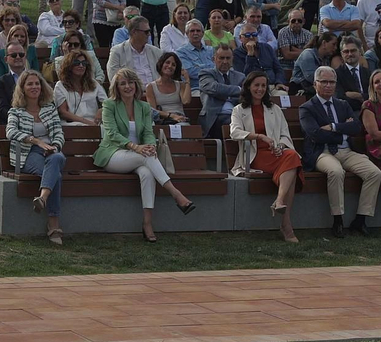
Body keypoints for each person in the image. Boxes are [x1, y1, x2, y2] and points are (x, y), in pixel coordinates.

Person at [95, 69, 197, 241]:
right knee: (146, 157)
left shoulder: (143, 107)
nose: (127, 86)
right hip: (113, 154)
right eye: (123, 83)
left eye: (130, 82)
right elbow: (112, 133)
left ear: (136, 84)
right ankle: (176, 194)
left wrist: (150, 146)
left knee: (147, 172)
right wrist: (136, 147)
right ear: (117, 88)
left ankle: (147, 223)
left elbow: (149, 132)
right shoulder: (109, 105)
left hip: (139, 156)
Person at [299, 66, 381, 236]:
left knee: (374, 173)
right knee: (336, 171)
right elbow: (315, 135)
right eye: (324, 82)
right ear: (315, 84)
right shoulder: (307, 108)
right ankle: (338, 219)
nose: (328, 85)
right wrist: (341, 134)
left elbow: (355, 127)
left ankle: (360, 220)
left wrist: (333, 127)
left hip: (346, 151)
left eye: (332, 82)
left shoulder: (342, 104)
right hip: (321, 153)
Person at [230, 69, 301, 242]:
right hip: (254, 156)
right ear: (248, 87)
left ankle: (279, 203)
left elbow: (285, 134)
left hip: (275, 154)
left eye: (263, 86)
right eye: (256, 85)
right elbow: (234, 132)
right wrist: (258, 136)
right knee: (292, 164)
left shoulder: (274, 109)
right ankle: (286, 225)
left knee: (291, 157)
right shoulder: (239, 110)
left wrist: (280, 146)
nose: (260, 89)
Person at [6, 69, 68, 244]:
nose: (34, 87)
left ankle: (42, 198)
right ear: (23, 88)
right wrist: (35, 141)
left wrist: (54, 147)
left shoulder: (50, 109)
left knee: (56, 159)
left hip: (52, 152)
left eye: (37, 83)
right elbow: (10, 131)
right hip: (28, 153)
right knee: (56, 174)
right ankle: (53, 224)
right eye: (30, 84)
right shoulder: (16, 112)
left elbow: (59, 133)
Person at [198, 43, 244, 138]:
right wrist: (238, 89)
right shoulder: (206, 74)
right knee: (231, 123)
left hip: (237, 114)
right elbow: (215, 88)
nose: (225, 61)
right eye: (221, 58)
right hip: (215, 116)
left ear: (232, 59)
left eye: (228, 58)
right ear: (214, 59)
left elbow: (246, 94)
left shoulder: (240, 77)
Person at [52, 46, 105, 126]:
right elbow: (63, 113)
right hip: (72, 125)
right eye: (77, 63)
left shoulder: (93, 83)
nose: (81, 66)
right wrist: (87, 123)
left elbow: (107, 103)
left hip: (95, 123)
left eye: (84, 63)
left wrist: (101, 110)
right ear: (69, 66)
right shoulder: (60, 86)